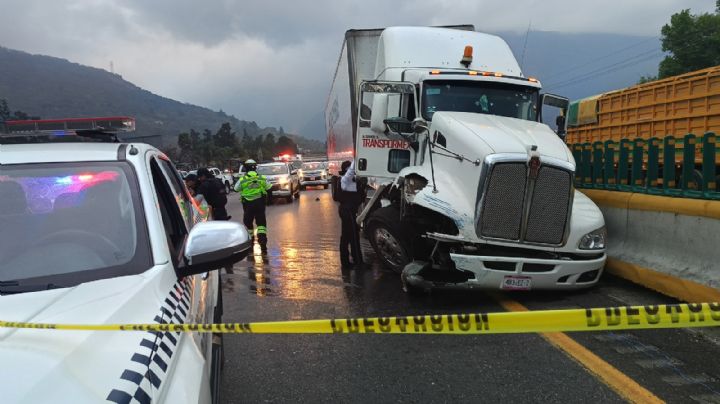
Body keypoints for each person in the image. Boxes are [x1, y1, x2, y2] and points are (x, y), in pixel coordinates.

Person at [234, 159, 272, 253]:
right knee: (261, 224)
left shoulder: (243, 179)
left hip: (248, 205)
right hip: (260, 204)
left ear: (246, 168)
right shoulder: (261, 178)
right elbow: (269, 188)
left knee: (248, 223)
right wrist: (269, 201)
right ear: (255, 167)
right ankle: (262, 242)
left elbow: (235, 189)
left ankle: (251, 241)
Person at [338, 160, 364, 268]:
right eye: (348, 168)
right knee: (353, 236)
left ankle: (346, 262)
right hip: (347, 211)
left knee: (346, 237)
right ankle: (358, 262)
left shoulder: (351, 181)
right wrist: (356, 158)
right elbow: (351, 171)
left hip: (348, 211)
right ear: (345, 170)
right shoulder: (345, 180)